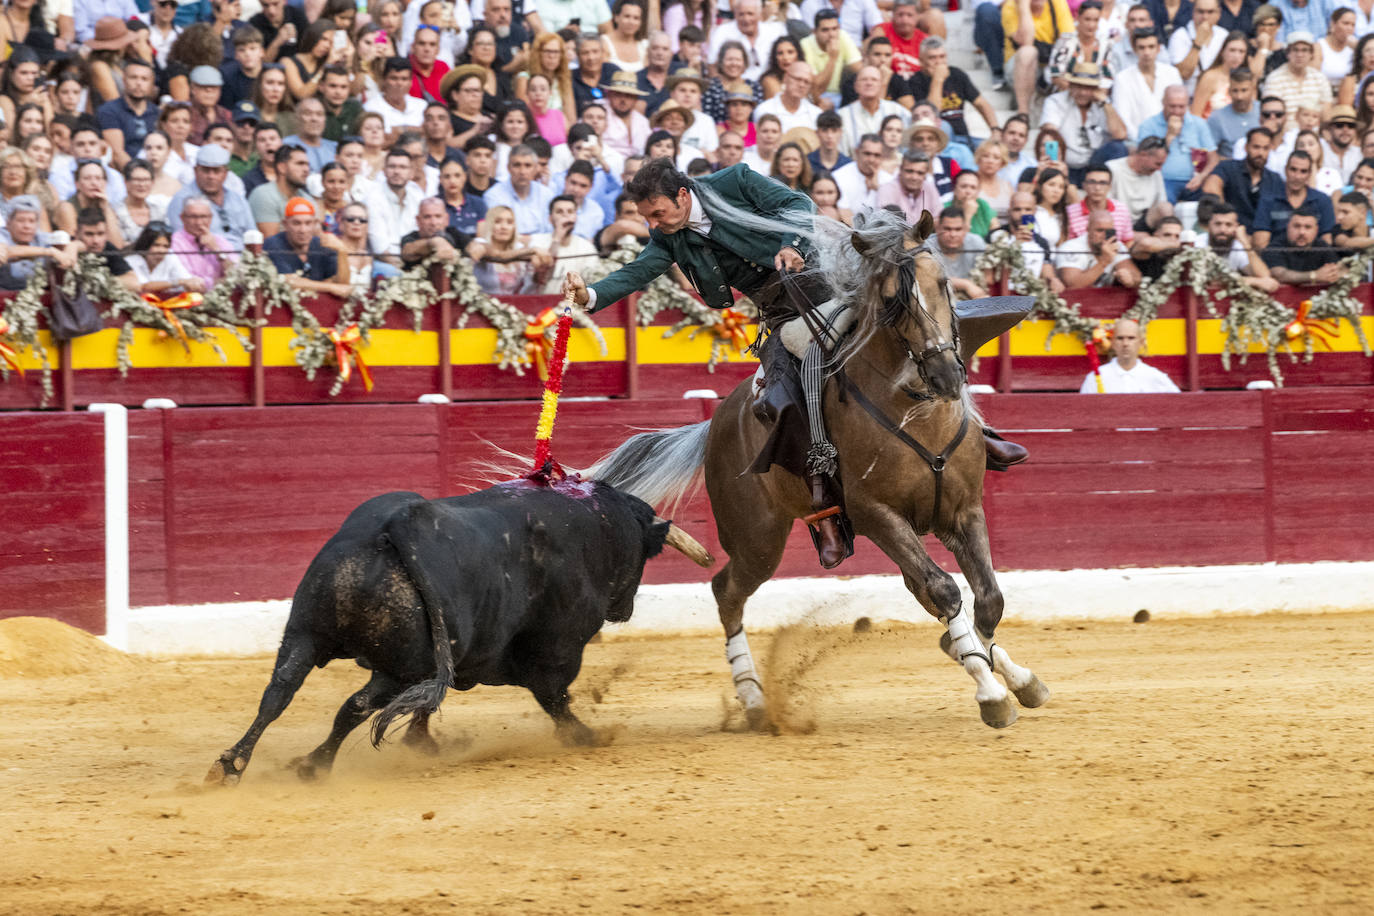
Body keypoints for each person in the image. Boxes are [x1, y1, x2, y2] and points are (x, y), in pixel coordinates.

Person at [1042, 63, 1130, 186]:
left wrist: (1105, 103)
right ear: (1070, 85)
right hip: (1065, 165)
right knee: (1050, 144)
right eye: (1078, 86)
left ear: (1095, 89)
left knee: (1118, 148)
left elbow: (1120, 134)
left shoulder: (1102, 104)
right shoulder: (1056, 101)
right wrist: (1057, 166)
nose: (1083, 92)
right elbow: (1050, 132)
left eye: (1088, 88)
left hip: (1093, 166)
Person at [909, 37, 1001, 147]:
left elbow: (981, 103)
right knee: (944, 126)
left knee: (996, 149)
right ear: (921, 61)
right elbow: (931, 115)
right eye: (932, 58)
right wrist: (938, 80)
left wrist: (995, 129)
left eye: (942, 57)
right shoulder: (915, 81)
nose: (938, 62)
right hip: (936, 139)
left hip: (963, 138)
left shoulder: (956, 74)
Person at [1138, 84, 1219, 201]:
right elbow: (1144, 160)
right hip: (1163, 180)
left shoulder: (1198, 124)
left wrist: (1202, 177)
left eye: (1181, 107)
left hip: (1196, 180)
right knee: (1165, 203)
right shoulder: (1149, 125)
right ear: (1163, 103)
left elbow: (1213, 158)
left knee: (1212, 200)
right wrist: (1169, 136)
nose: (1176, 111)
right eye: (1172, 106)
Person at [1202, 126, 1284, 226]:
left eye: (1265, 148)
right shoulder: (1228, 168)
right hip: (1229, 232)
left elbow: (1281, 213)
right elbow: (1211, 186)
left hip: (1262, 235)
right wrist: (1226, 214)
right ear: (1246, 147)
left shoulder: (1275, 179)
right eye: (1256, 147)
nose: (1260, 153)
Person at [1004, 0, 1075, 115]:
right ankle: (1023, 113)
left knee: (1070, 59)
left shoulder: (1057, 3)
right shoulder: (1011, 6)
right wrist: (1024, 6)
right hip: (1018, 67)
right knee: (1027, 52)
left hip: (1050, 62)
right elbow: (1026, 41)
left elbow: (1069, 39)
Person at [1253, 149, 1335, 247]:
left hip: (1313, 258)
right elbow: (1260, 243)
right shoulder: (1268, 200)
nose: (1297, 176)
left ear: (1309, 174)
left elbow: (1327, 240)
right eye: (1293, 169)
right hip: (1275, 257)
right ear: (1285, 170)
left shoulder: (1322, 200)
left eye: (1303, 171)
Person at [1112, 28, 1184, 139]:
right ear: (1135, 49)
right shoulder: (1122, 78)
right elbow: (1123, 118)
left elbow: (1181, 110)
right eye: (1142, 48)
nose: (1146, 53)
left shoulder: (1172, 73)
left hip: (1172, 138)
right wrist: (1144, 143)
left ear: (1158, 48)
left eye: (1151, 47)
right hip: (1136, 143)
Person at [1196, 202, 1281, 290]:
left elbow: (1264, 276)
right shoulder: (1197, 244)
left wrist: (1245, 242)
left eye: (1228, 225)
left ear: (1236, 227)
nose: (1222, 230)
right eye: (1218, 224)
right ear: (1209, 225)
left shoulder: (1237, 246)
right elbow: (1211, 281)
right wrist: (1252, 281)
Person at [1079, 318, 1180, 392]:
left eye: (1131, 338)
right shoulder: (1095, 379)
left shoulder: (1156, 377)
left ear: (1141, 342)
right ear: (1112, 342)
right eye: (1120, 338)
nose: (1125, 343)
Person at [0, 196, 77, 289]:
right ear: (8, 223)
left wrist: (72, 247)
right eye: (21, 220)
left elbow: (82, 244)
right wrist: (50, 252)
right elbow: (7, 251)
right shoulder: (2, 235)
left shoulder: (41, 237)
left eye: (32, 221)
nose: (27, 226)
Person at [528, 194, 601, 294]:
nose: (565, 215)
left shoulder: (587, 248)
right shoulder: (537, 242)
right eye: (559, 212)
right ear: (550, 218)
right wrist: (557, 238)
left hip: (573, 306)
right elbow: (541, 279)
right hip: (540, 302)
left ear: (576, 217)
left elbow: (592, 285)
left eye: (570, 212)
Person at [994, 191, 1064, 293]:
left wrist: (1053, 281)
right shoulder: (996, 236)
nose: (1022, 214)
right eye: (1017, 209)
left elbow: (1047, 273)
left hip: (1031, 296)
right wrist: (1014, 244)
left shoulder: (1041, 242)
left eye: (1028, 209)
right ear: (1009, 211)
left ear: (1034, 212)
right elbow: (992, 273)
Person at [96, 59, 159, 169]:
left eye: (144, 79)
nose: (139, 83)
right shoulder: (109, 110)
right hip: (126, 173)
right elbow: (117, 153)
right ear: (124, 80)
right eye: (133, 77)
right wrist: (139, 176)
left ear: (151, 83)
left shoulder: (157, 113)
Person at [1262, 30, 1332, 130]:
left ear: (1311, 54)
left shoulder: (1320, 78)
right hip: (1284, 134)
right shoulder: (1275, 78)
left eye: (1304, 50)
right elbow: (1272, 116)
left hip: (1314, 135)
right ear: (1287, 53)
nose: (1300, 55)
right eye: (1295, 50)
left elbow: (1326, 115)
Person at [1056, 210, 1143, 288]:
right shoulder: (1071, 247)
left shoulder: (1116, 245)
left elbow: (1137, 277)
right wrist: (1104, 262)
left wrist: (1130, 280)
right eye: (1100, 230)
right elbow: (1071, 285)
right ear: (1088, 229)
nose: (1104, 235)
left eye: (1109, 231)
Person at [1261, 203, 1345, 282]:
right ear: (1288, 227)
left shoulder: (1321, 246)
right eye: (1297, 226)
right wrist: (1314, 275)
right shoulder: (1274, 247)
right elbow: (1280, 274)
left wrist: (1335, 273)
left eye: (1307, 227)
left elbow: (1339, 269)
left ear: (1316, 230)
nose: (1302, 232)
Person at [838, 66, 910, 156]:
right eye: (864, 80)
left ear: (881, 85)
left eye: (874, 80)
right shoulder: (842, 116)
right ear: (856, 87)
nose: (869, 83)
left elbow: (908, 146)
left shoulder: (898, 111)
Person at [708, 0, 786, 83]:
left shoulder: (775, 31)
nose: (746, 19)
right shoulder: (722, 32)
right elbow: (712, 65)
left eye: (750, 14)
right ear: (735, 14)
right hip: (734, 86)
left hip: (768, 84)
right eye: (741, 14)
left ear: (759, 14)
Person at [485, 144, 555, 234]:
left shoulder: (547, 194)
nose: (522, 171)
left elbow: (552, 230)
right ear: (508, 168)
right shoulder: (493, 196)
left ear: (535, 168)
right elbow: (495, 233)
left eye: (528, 165)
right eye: (517, 165)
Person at [801, 9, 862, 108]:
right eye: (825, 30)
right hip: (815, 96)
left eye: (835, 29)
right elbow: (816, 88)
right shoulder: (805, 45)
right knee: (824, 105)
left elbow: (859, 69)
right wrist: (832, 58)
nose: (831, 34)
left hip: (840, 94)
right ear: (815, 32)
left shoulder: (842, 36)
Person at [249, 144, 312, 237]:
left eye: (307, 165)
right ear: (282, 168)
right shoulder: (263, 195)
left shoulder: (307, 199)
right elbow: (271, 244)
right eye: (300, 164)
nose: (306, 169)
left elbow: (316, 237)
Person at [1107, 137, 1172, 224]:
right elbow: (1105, 204)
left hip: (1145, 221)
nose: (1160, 169)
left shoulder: (1156, 174)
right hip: (1117, 221)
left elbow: (1162, 202)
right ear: (1143, 155)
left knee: (1166, 207)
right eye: (1157, 164)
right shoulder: (1112, 169)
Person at [127, 220, 202, 295]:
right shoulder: (131, 261)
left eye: (165, 246)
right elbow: (142, 287)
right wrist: (178, 282)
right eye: (156, 245)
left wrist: (194, 283)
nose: (161, 250)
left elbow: (187, 280)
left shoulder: (170, 257)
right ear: (146, 245)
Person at [74, 206, 138, 292]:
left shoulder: (108, 247)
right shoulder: (68, 246)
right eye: (89, 234)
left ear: (106, 234)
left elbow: (134, 283)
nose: (95, 241)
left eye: (100, 234)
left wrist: (99, 282)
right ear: (77, 234)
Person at [1169, 0, 1227, 91]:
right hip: (1188, 95)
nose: (1205, 17)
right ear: (1193, 12)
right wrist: (1197, 43)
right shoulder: (1180, 36)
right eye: (1200, 11)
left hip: (1218, 93)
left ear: (1219, 13)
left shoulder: (1223, 35)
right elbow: (1183, 74)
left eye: (1210, 12)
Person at [933, 206, 989, 300]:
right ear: (938, 228)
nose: (953, 235)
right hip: (938, 299)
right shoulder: (926, 246)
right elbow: (930, 280)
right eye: (947, 229)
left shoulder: (976, 242)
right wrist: (965, 285)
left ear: (965, 229)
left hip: (972, 299)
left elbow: (988, 278)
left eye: (958, 229)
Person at [754, 63, 825, 134]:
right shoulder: (764, 110)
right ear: (785, 78)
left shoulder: (816, 114)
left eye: (806, 82)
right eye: (797, 79)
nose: (801, 85)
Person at [1069, 166, 1137, 240]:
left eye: (1103, 183)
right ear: (1084, 185)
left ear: (1109, 186)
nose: (1097, 188)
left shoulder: (1122, 209)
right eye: (1092, 182)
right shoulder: (1070, 213)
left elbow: (1127, 241)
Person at [1208, 65, 1261, 157]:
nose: (1239, 97)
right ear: (1228, 91)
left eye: (1244, 90)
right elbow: (1210, 152)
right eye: (1235, 91)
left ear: (1253, 89)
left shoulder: (1264, 111)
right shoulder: (1217, 118)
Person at [832, 133, 894, 211]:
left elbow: (893, 214)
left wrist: (879, 189)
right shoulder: (839, 177)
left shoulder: (889, 181)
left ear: (883, 157)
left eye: (877, 155)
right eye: (867, 154)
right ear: (857, 152)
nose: (871, 160)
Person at [874, 149, 941, 221]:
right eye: (909, 171)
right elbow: (886, 225)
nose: (914, 177)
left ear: (925, 174)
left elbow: (938, 220)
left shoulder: (930, 188)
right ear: (900, 169)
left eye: (920, 173)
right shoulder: (887, 189)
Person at [601, 70, 652, 159]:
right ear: (609, 95)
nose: (623, 100)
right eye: (618, 94)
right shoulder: (598, 113)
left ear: (635, 99)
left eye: (628, 95)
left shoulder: (642, 121)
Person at [282, 97, 337, 173]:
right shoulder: (286, 146)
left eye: (319, 114)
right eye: (308, 113)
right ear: (297, 118)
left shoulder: (335, 148)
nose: (314, 119)